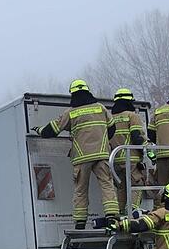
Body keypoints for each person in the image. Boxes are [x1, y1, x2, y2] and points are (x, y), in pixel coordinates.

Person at [34, 79, 120, 229]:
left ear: (73, 94)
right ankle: (112, 216)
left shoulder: (71, 113)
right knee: (107, 184)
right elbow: (112, 129)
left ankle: (80, 223)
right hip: (102, 155)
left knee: (80, 189)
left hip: (82, 158)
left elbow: (51, 131)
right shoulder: (100, 108)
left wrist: (39, 130)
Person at [107, 88, 146, 214]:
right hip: (131, 159)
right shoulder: (132, 116)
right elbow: (136, 136)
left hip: (115, 160)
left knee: (121, 187)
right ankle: (133, 210)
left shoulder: (110, 118)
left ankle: (120, 213)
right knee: (137, 184)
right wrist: (146, 150)